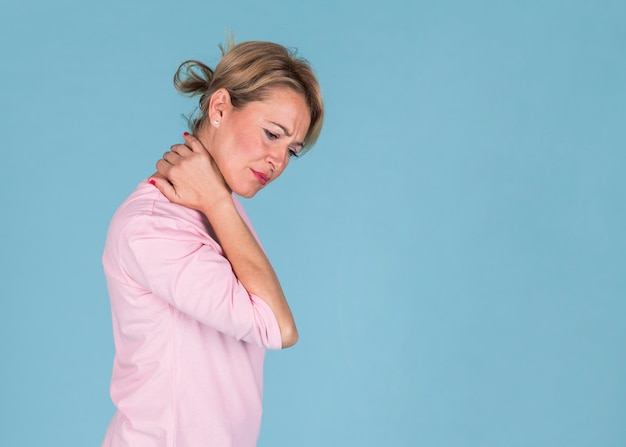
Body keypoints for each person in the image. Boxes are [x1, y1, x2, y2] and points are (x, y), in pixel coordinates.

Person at [101, 39, 324, 446]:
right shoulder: (153, 226)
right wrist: (219, 203)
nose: (279, 161)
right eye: (272, 134)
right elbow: (277, 326)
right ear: (219, 108)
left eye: (292, 149)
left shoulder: (218, 208)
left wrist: (219, 203)